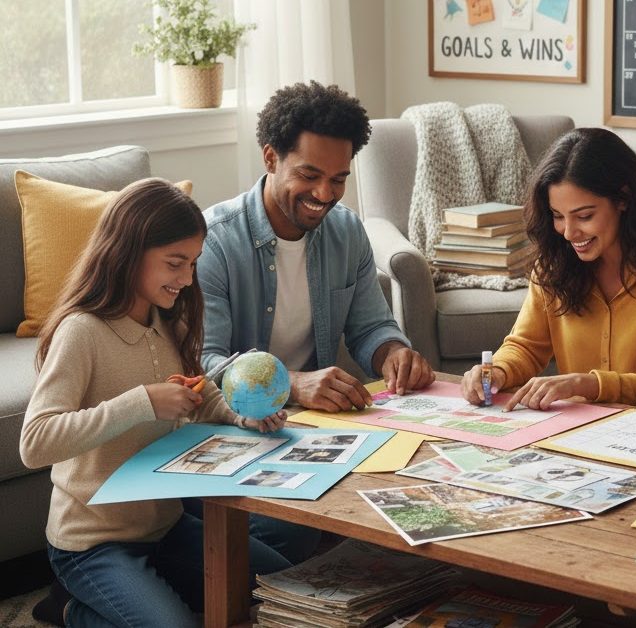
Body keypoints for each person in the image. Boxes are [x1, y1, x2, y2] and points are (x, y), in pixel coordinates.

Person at [21, 179, 293, 627]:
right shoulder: (81, 332)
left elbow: (196, 393)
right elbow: (35, 443)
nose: (187, 279)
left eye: (192, 263)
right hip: (93, 542)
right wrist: (141, 402)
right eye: (175, 263)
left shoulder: (169, 319)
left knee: (283, 584)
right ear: (129, 252)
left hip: (163, 528)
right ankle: (71, 608)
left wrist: (237, 415)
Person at [198, 81, 434, 415]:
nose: (324, 194)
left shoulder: (347, 232)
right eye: (309, 176)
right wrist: (291, 385)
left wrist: (393, 353)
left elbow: (370, 328)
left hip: (316, 421)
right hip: (240, 419)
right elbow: (206, 364)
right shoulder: (214, 242)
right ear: (270, 158)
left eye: (338, 179)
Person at [461, 127, 636, 409]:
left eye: (584, 216)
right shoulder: (554, 260)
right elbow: (526, 346)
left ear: (623, 199)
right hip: (576, 428)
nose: (568, 233)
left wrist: (585, 384)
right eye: (558, 216)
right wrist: (498, 370)